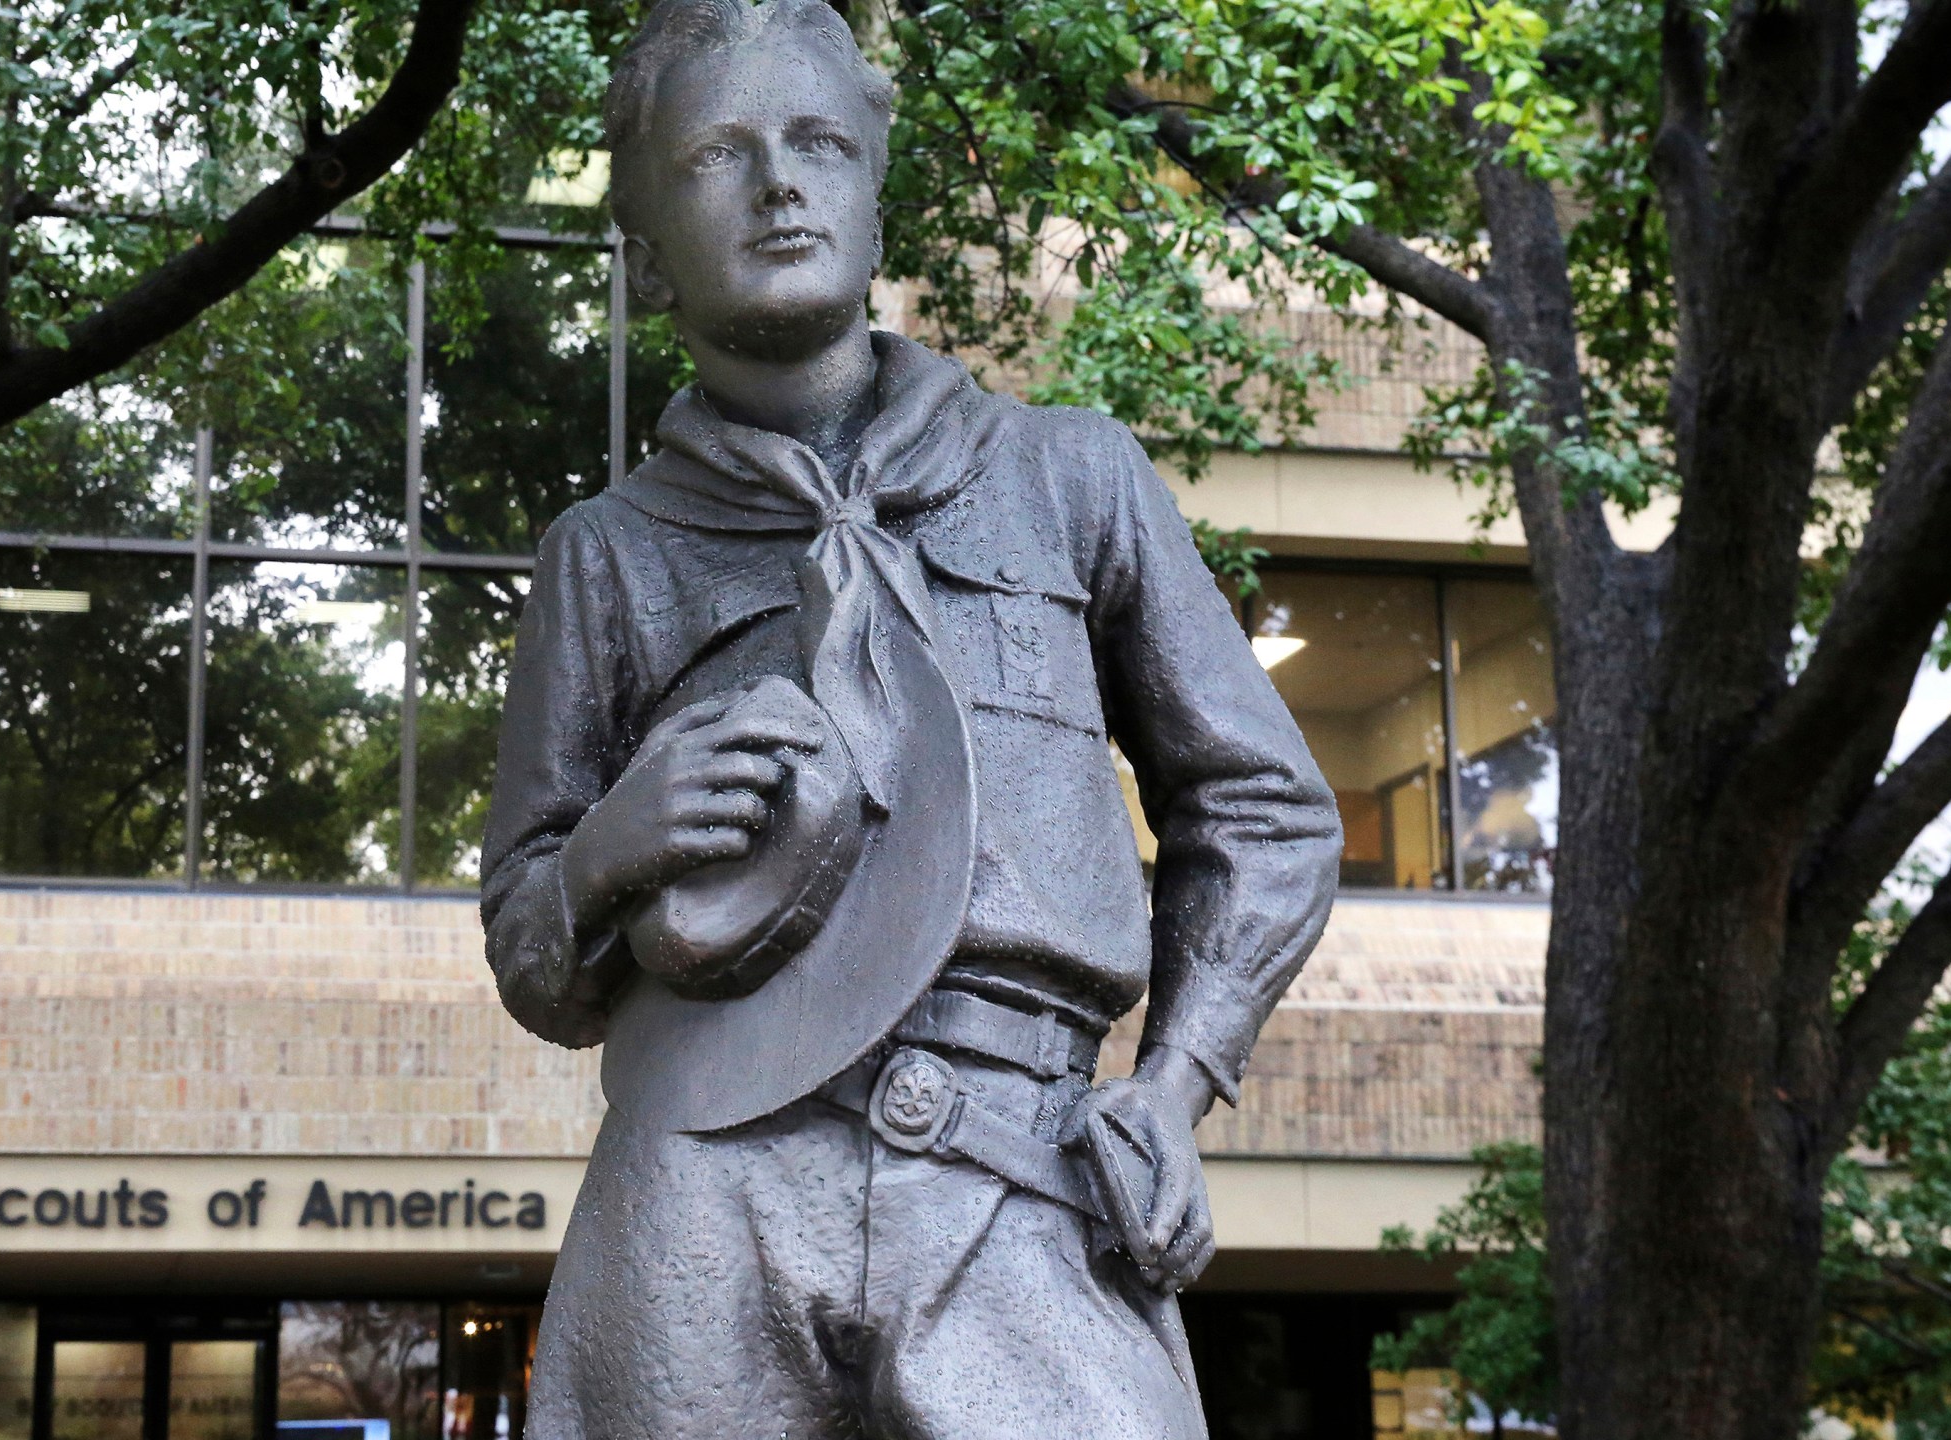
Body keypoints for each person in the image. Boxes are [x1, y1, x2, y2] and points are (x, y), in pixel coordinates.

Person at [477, 2, 1341, 1433]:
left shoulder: (1072, 479)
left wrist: (1178, 1087)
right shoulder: (608, 552)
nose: (777, 185)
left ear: (878, 202)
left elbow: (1261, 806)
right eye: (716, 156)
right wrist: (601, 854)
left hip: (1022, 1162)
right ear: (641, 253)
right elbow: (527, 948)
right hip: (703, 1175)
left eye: (820, 143)